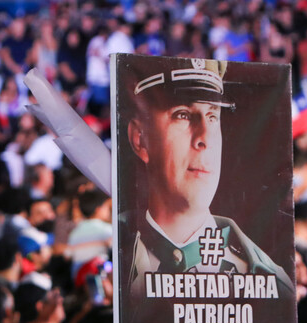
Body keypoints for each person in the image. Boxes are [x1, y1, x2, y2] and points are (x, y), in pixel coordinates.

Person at [120, 57, 293, 296]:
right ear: (140, 139)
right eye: (182, 115)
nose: (204, 138)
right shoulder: (114, 257)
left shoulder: (272, 284)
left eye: (212, 117)